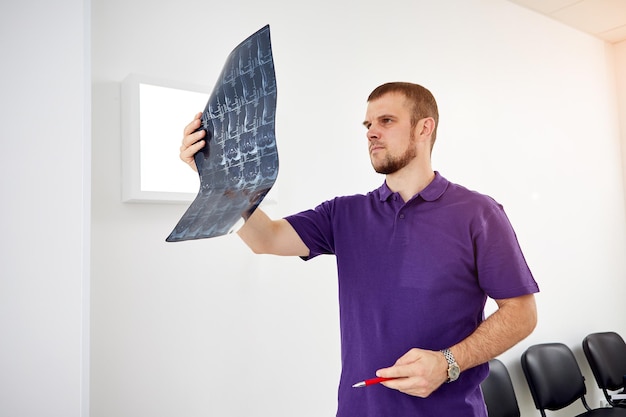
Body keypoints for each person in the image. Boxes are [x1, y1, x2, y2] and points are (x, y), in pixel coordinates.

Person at [180, 82, 539, 416]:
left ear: (424, 128)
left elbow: (521, 314)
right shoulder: (344, 213)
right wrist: (216, 174)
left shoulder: (478, 213)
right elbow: (265, 238)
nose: (371, 132)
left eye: (386, 120)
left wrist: (448, 362)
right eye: (367, 124)